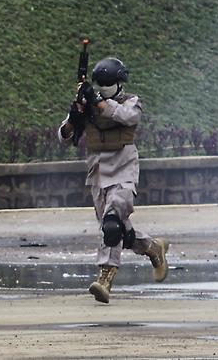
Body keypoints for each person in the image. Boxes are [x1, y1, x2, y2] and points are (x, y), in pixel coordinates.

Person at [57, 56, 169, 304]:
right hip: (97, 171)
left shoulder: (131, 102)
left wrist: (98, 102)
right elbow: (64, 136)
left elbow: (127, 117)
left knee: (111, 225)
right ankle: (152, 248)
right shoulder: (89, 105)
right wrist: (75, 116)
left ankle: (105, 279)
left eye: (109, 84)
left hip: (124, 169)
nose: (105, 88)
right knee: (120, 232)